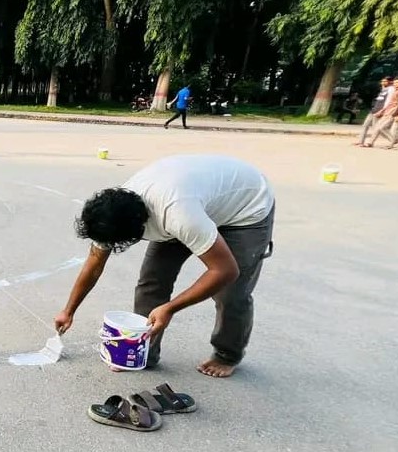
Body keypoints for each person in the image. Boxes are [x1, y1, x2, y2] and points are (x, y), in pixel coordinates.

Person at [53, 155, 275, 378]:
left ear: (137, 229)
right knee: (152, 281)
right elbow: (94, 264)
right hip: (195, 200)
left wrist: (170, 308)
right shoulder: (111, 211)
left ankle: (227, 354)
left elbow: (225, 270)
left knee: (231, 291)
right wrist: (68, 310)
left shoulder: (178, 215)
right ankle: (143, 351)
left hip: (246, 209)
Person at [364, 77, 398, 148]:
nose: (395, 84)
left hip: (392, 112)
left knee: (382, 128)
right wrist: (382, 110)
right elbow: (389, 103)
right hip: (387, 111)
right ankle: (371, 142)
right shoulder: (395, 90)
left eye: (397, 82)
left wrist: (392, 113)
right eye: (394, 83)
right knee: (378, 127)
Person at [355, 77, 393, 146]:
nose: (383, 83)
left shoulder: (391, 89)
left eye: (385, 81)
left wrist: (382, 110)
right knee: (365, 125)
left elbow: (388, 101)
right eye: (382, 81)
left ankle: (370, 142)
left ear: (390, 82)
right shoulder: (382, 89)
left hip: (379, 111)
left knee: (376, 127)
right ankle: (360, 141)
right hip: (373, 110)